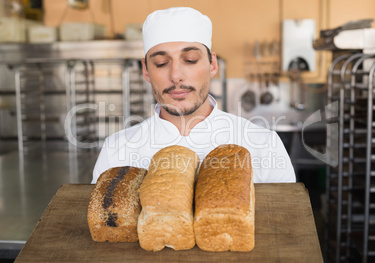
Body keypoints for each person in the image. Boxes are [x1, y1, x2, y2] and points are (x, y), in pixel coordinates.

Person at [91, 7, 296, 184]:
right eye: (161, 63)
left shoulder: (263, 144)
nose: (176, 75)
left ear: (212, 64)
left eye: (190, 60)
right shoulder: (116, 151)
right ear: (146, 70)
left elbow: (285, 223)